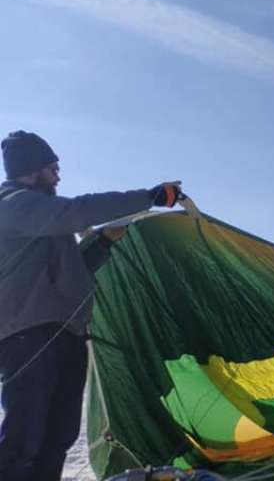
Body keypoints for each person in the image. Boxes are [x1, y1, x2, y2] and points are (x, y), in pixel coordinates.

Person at [0, 130, 185, 481]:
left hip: (66, 334)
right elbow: (76, 211)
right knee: (25, 437)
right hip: (29, 337)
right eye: (53, 168)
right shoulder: (12, 205)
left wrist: (103, 242)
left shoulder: (42, 219)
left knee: (59, 436)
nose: (58, 176)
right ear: (31, 169)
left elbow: (71, 272)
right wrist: (149, 197)